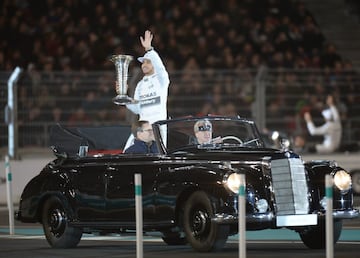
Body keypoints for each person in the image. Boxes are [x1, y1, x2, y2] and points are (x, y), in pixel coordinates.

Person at [124, 30, 170, 150]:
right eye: (143, 62)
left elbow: (160, 68)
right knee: (126, 151)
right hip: (143, 128)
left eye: (148, 62)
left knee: (158, 156)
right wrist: (124, 97)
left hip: (157, 127)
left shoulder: (161, 80)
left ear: (154, 63)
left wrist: (150, 50)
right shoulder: (140, 84)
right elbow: (137, 108)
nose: (144, 64)